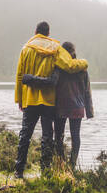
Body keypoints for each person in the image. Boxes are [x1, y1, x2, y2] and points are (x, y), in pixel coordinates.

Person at [14, 22, 88, 179]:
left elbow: (20, 76)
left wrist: (19, 99)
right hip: (48, 100)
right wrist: (85, 62)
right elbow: (69, 66)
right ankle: (46, 171)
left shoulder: (26, 48)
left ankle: (19, 171)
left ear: (35, 32)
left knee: (25, 135)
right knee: (47, 136)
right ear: (48, 33)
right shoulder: (55, 48)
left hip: (29, 99)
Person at [22, 41, 93, 168]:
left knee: (59, 135)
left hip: (61, 106)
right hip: (78, 107)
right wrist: (89, 111)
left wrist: (30, 79)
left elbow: (51, 83)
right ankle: (72, 164)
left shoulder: (59, 67)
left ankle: (60, 162)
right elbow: (87, 90)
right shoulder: (82, 69)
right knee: (75, 135)